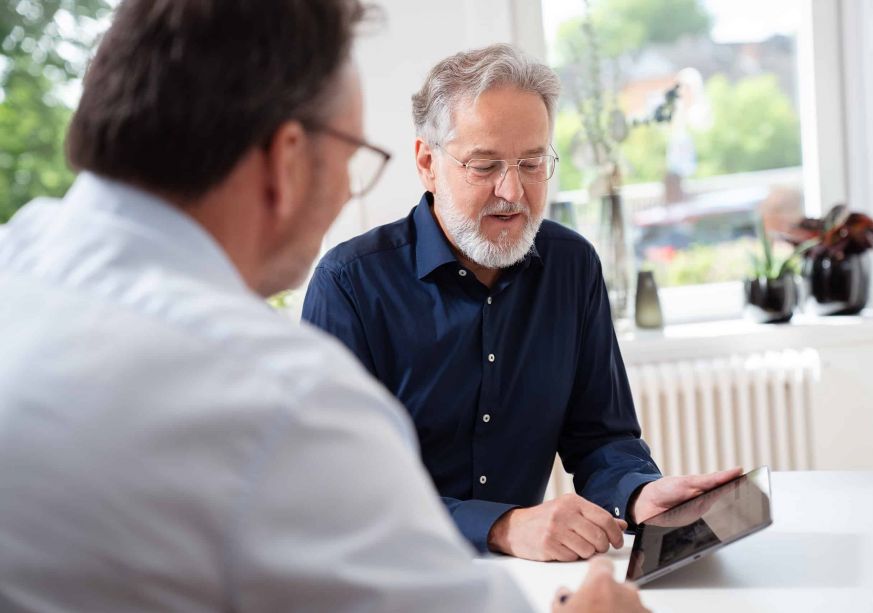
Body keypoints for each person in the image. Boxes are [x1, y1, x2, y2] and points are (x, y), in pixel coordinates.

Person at [0, 2, 650, 612]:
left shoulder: (16, 272)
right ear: (286, 160)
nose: (346, 190)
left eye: (532, 162)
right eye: (351, 156)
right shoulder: (279, 398)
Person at [303, 43, 742, 561]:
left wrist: (638, 493)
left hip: (526, 580)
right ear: (427, 162)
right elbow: (338, 491)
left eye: (532, 163)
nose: (512, 191)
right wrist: (501, 526)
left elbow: (601, 437)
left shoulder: (572, 265)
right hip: (390, 579)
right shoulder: (350, 285)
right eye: (485, 165)